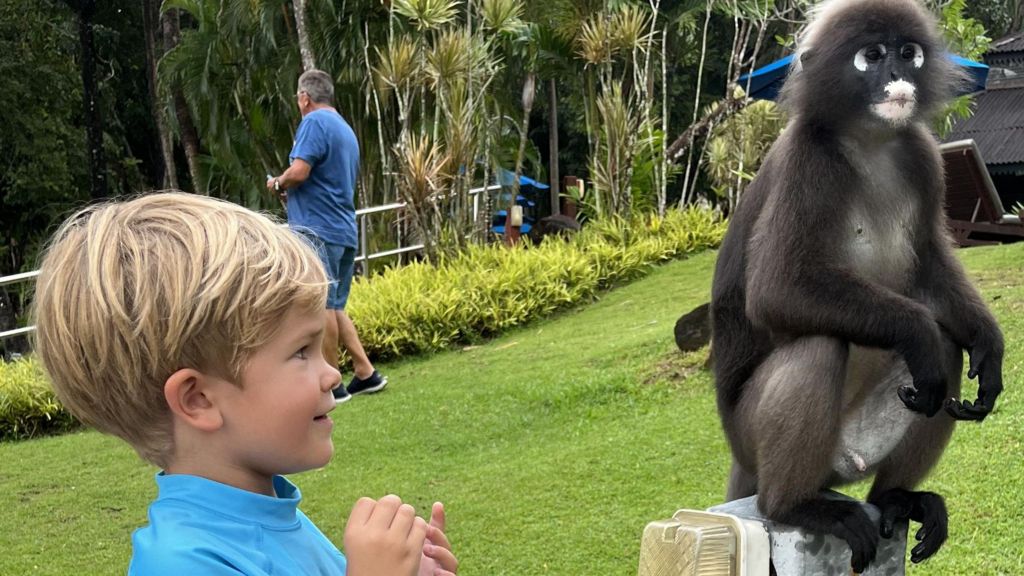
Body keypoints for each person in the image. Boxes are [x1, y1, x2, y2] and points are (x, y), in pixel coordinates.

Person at [32, 193, 458, 576]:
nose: (331, 373)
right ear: (198, 400)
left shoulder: (270, 513)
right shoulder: (180, 562)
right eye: (301, 352)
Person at [267, 69, 386, 404]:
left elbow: (300, 171)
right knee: (334, 306)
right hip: (342, 227)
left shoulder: (314, 123)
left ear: (305, 97)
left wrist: (277, 183)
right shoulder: (344, 129)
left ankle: (331, 384)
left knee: (320, 305)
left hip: (317, 227)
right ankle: (366, 373)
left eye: (298, 98)